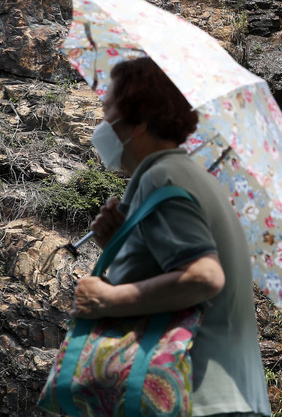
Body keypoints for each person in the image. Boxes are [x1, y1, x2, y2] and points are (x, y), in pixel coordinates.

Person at [71, 57, 271, 417]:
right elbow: (172, 272)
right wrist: (118, 244)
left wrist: (109, 299)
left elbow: (204, 277)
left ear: (140, 121)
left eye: (107, 109)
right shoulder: (196, 179)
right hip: (235, 396)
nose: (102, 123)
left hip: (195, 396)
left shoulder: (160, 178)